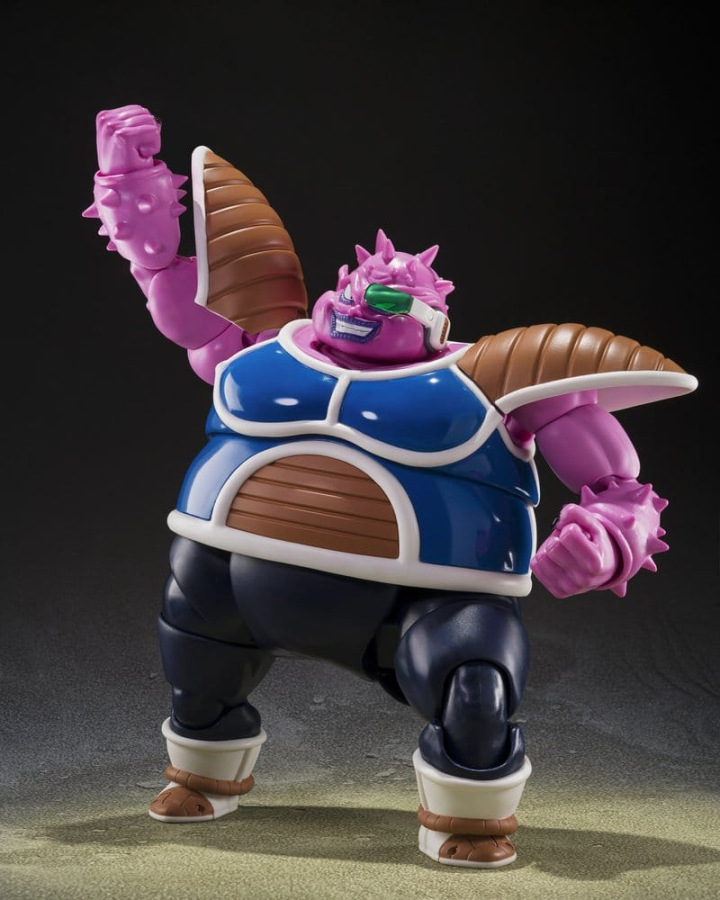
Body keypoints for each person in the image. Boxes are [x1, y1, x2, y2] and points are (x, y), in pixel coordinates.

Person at [84, 104, 697, 868]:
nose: (363, 303)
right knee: (194, 652)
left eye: (388, 298)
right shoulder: (263, 349)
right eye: (356, 287)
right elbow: (165, 276)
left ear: (431, 319)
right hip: (233, 576)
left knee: (475, 688)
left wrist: (602, 543)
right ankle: (204, 771)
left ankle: (469, 818)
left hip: (421, 600)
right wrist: (130, 181)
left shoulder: (496, 381)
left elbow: (622, 487)